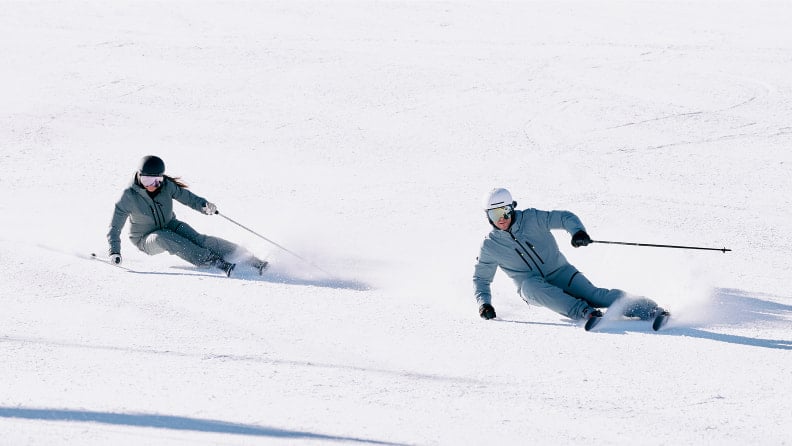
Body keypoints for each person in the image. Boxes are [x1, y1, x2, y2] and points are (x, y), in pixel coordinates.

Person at [473, 187, 668, 329]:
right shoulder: (490, 246)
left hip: (562, 272)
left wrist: (577, 232)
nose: (502, 218)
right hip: (534, 288)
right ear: (488, 215)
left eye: (505, 211)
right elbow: (481, 279)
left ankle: (650, 310)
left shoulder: (532, 218)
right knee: (529, 287)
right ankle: (584, 312)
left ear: (512, 208)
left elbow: (565, 217)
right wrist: (484, 304)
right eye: (495, 213)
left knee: (596, 295)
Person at [106, 155, 269, 277]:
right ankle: (211, 261)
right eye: (147, 180)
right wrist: (115, 251)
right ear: (139, 176)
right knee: (163, 237)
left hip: (170, 224)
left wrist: (204, 206)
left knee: (202, 240)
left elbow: (187, 197)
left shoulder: (166, 186)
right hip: (145, 239)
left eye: (156, 180)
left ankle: (249, 258)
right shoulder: (128, 196)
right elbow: (114, 228)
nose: (151, 185)